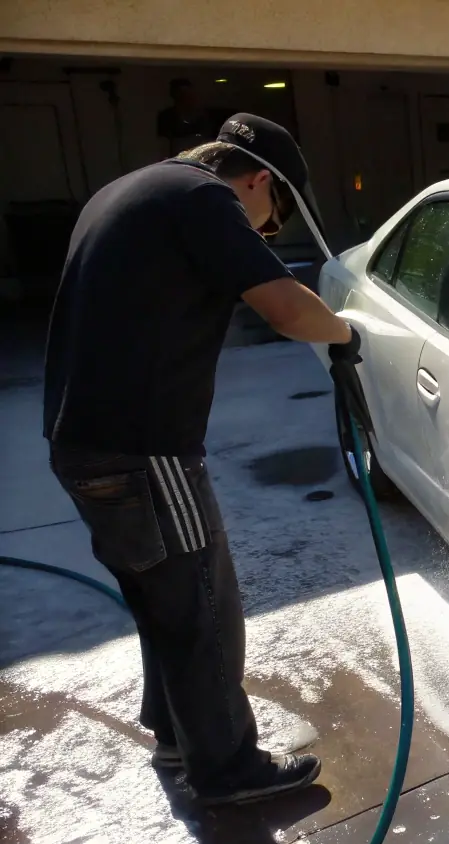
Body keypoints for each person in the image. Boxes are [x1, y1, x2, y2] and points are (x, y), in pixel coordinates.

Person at [43, 113, 361, 805]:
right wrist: (344, 333)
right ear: (258, 181)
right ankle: (227, 770)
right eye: (269, 220)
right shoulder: (203, 198)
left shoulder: (132, 190)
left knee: (163, 600)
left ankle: (174, 734)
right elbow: (284, 306)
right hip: (145, 452)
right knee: (203, 606)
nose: (262, 234)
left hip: (81, 446)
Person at [155, 79, 223, 156]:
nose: (185, 98)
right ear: (174, 95)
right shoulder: (166, 116)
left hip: (199, 157)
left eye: (188, 94)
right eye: (181, 94)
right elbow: (163, 144)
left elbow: (209, 139)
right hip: (177, 159)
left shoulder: (204, 116)